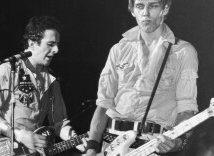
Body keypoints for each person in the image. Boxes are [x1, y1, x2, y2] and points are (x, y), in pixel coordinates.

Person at [85, 0, 199, 156]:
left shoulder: (183, 52)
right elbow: (103, 104)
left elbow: (186, 108)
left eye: (153, 6)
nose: (145, 12)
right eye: (140, 6)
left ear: (165, 9)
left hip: (150, 147)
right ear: (132, 10)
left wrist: (177, 142)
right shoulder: (118, 49)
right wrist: (92, 147)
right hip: (111, 144)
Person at [0, 16, 86, 155]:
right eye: (50, 44)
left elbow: (59, 123)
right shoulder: (8, 69)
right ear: (31, 43)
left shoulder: (52, 79)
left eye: (57, 44)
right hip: (4, 148)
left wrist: (77, 140)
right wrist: (18, 134)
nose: (56, 50)